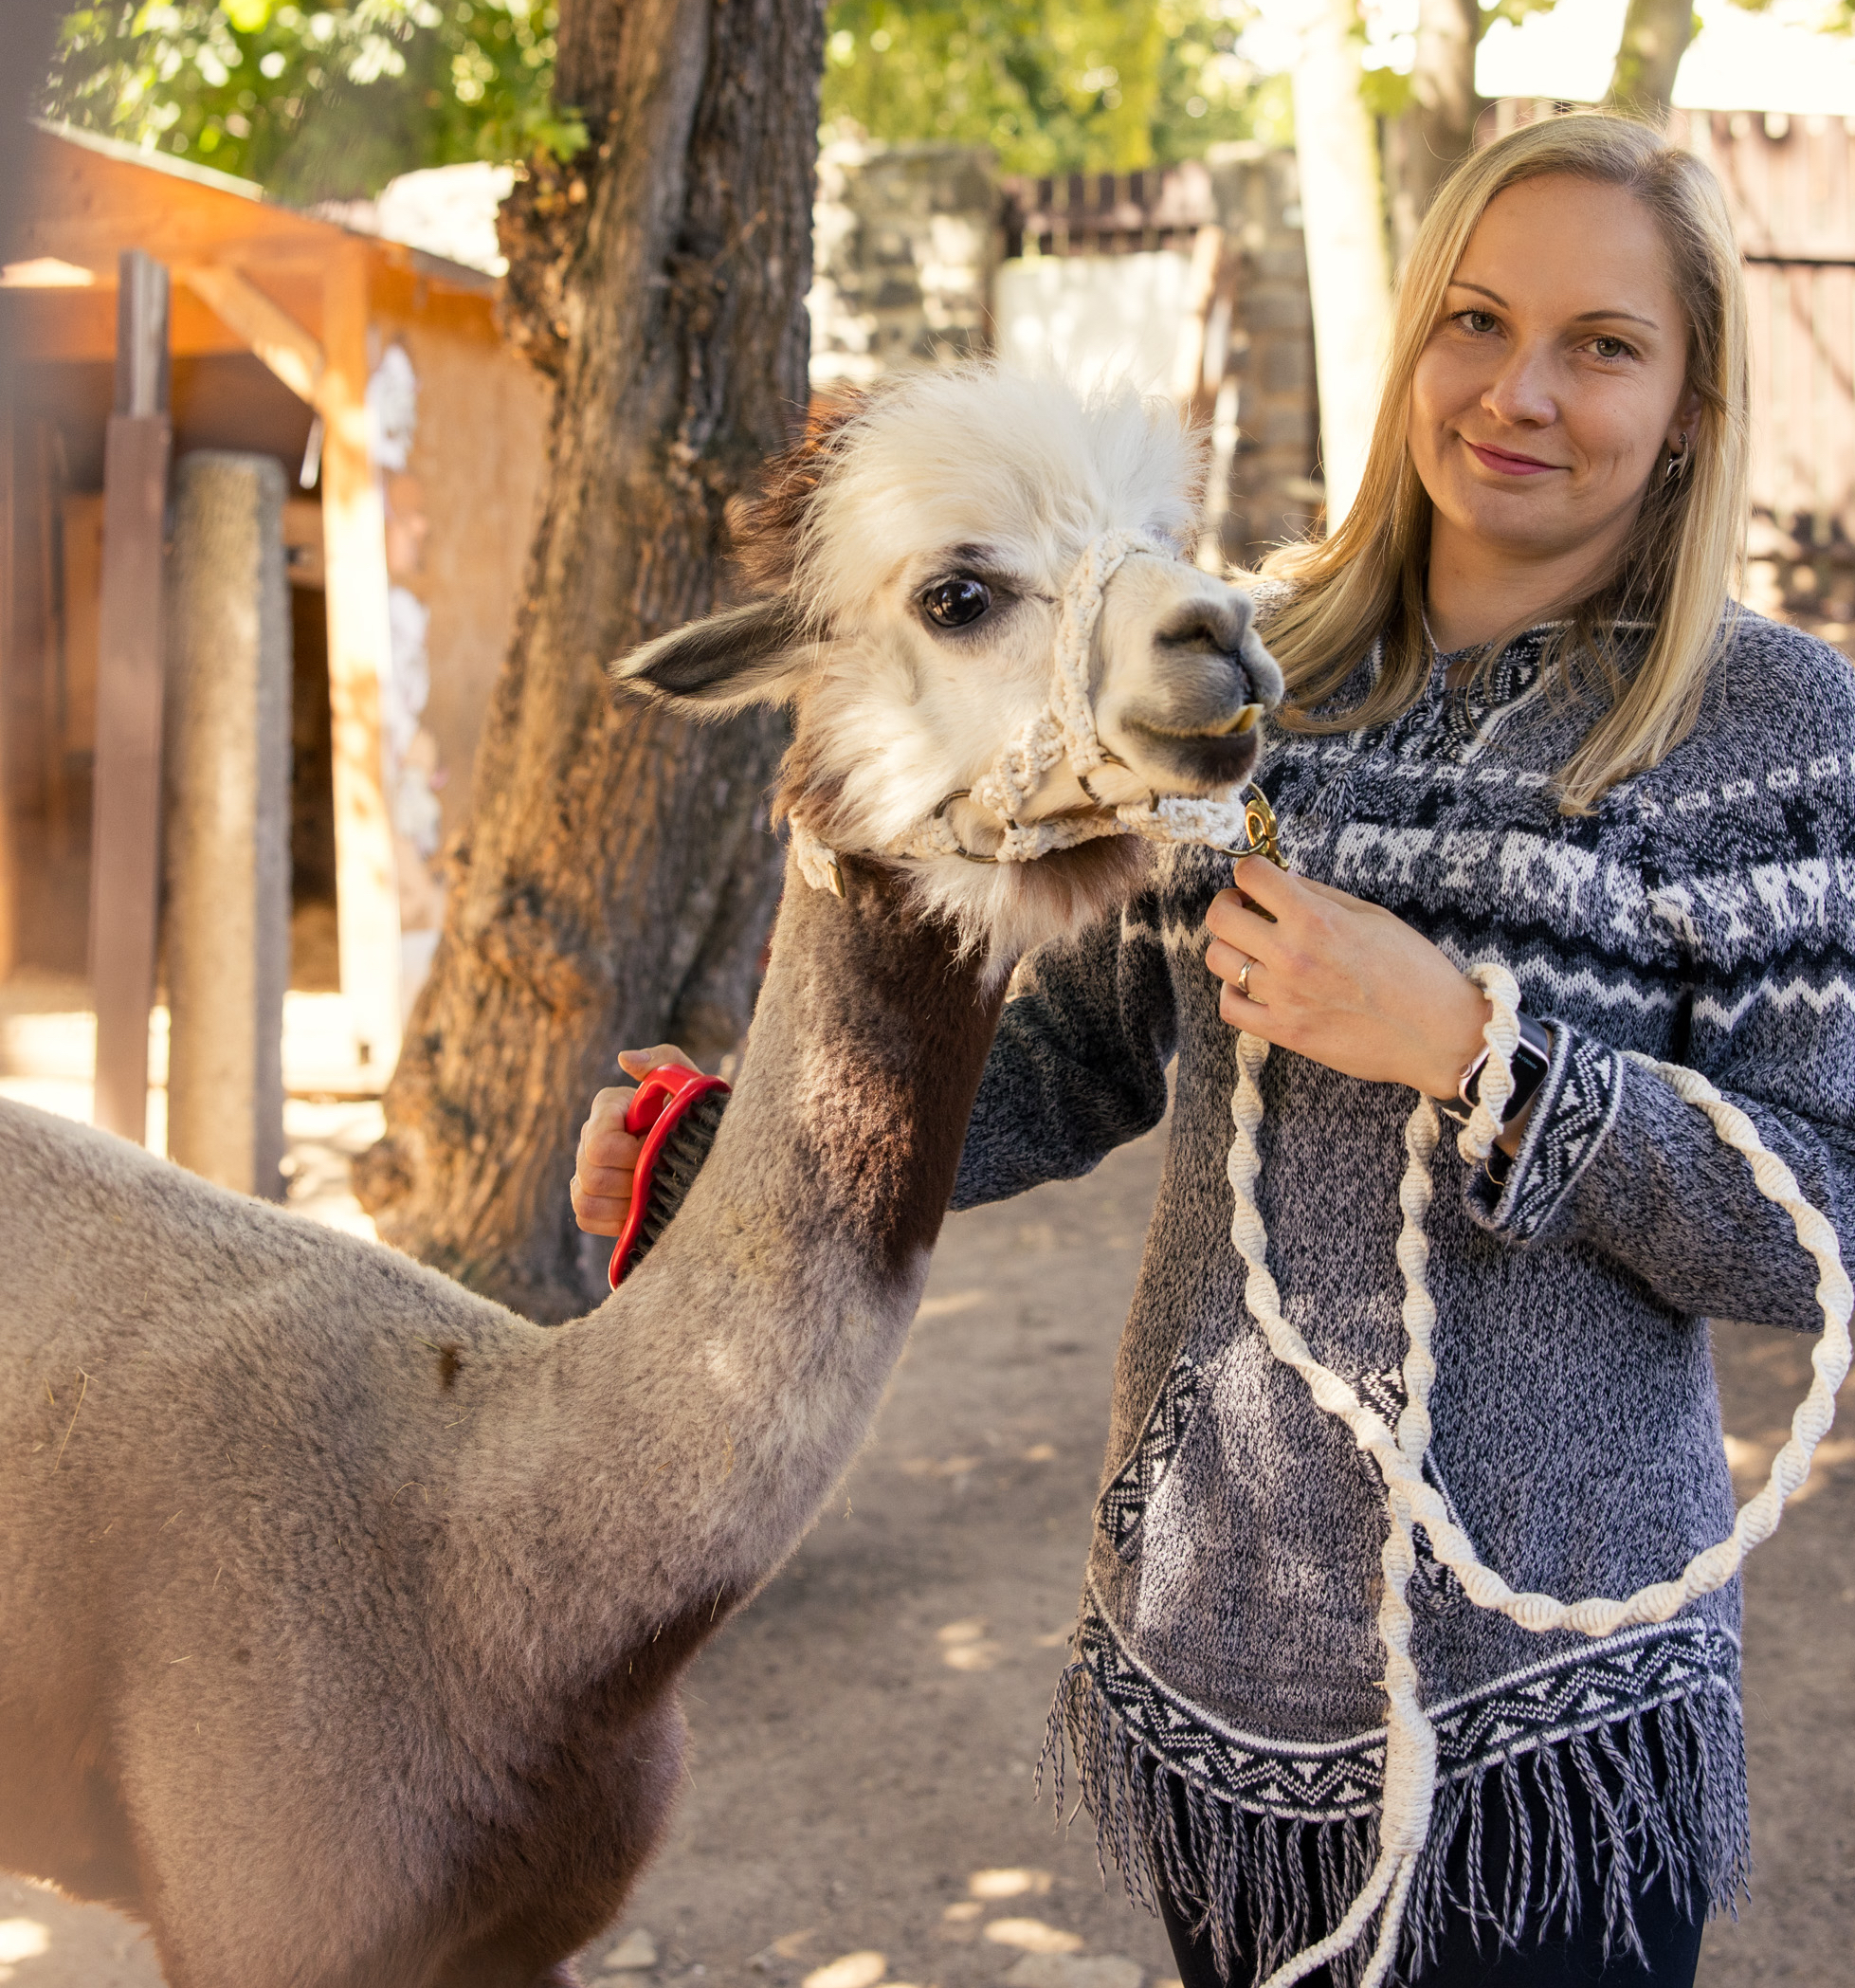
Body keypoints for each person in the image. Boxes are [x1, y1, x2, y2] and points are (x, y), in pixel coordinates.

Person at [572, 112, 1855, 1987]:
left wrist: (1480, 1054)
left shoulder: (1772, 735)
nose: (1518, 392)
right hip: (1224, 1667)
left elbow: (1823, 1217)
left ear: (1688, 395)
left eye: (1603, 344)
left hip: (1554, 1722)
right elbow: (1083, 1053)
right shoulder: (1238, 673)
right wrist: (722, 1166)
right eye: (1476, 322)